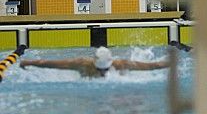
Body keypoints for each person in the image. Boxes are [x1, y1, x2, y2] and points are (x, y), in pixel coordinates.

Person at [20, 46, 170, 78]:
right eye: (100, 69)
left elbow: (152, 66)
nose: (103, 73)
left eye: (105, 69)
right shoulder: (81, 63)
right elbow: (49, 63)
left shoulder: (121, 64)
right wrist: (28, 62)